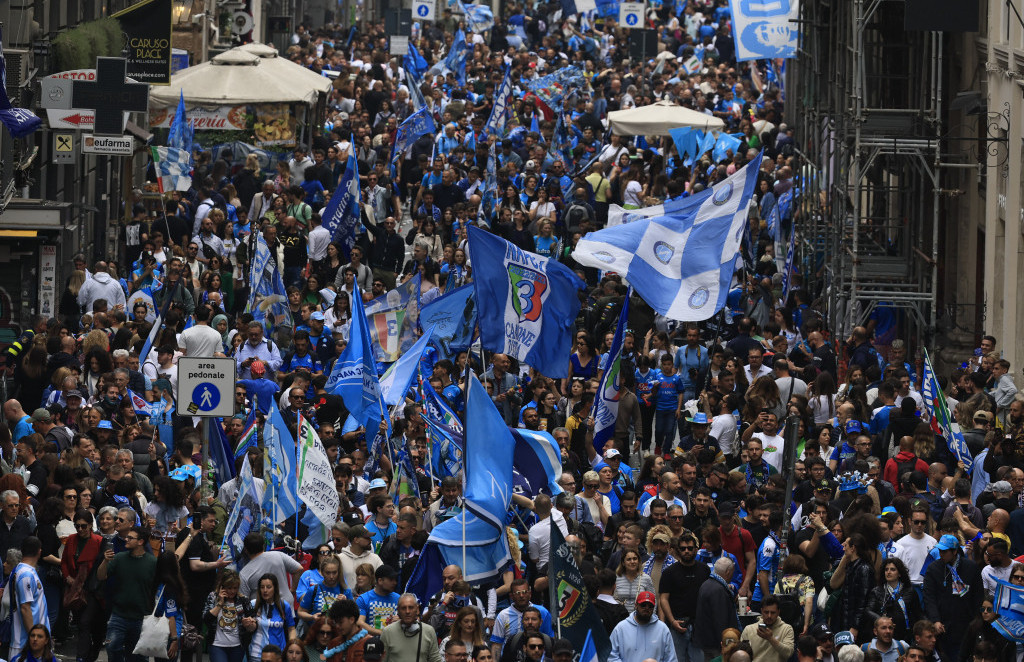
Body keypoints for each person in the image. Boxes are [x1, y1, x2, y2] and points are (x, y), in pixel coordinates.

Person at [97, 526, 157, 662]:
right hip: (119, 614)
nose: (126, 539)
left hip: (142, 617)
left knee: (139, 656)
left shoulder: (152, 562)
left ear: (141, 542)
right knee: (111, 647)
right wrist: (105, 561)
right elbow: (101, 576)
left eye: (130, 538)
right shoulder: (119, 558)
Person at [607, 591, 676, 662]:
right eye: (643, 605)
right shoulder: (621, 628)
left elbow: (671, 658)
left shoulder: (662, 629)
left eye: (650, 606)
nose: (647, 608)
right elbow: (611, 656)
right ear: (636, 605)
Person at [9, 537, 48, 662]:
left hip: (29, 643)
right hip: (24, 644)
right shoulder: (26, 574)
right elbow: (25, 608)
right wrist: (34, 639)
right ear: (39, 552)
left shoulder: (22, 571)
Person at [693, 557, 740, 662]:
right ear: (728, 572)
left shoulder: (706, 584)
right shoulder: (718, 590)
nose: (732, 575)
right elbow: (720, 620)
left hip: (706, 641)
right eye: (732, 572)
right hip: (715, 645)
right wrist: (725, 644)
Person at [243, 574, 298, 662]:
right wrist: (248, 625)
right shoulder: (253, 604)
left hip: (278, 655)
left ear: (275, 588)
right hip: (257, 655)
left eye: (268, 587)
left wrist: (291, 646)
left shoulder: (284, 606)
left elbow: (291, 629)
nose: (265, 590)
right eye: (262, 587)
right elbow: (250, 630)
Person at [379, 594, 442, 662]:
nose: (407, 611)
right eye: (403, 608)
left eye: (411, 607)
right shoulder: (388, 632)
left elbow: (435, 660)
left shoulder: (429, 631)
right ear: (398, 611)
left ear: (417, 609)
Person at [739, 595, 795, 662]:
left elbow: (788, 653)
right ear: (761, 611)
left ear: (778, 612)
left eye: (773, 613)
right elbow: (741, 655)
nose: (769, 616)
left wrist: (770, 639)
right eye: (766, 612)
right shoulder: (749, 629)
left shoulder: (786, 629)